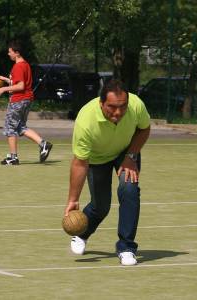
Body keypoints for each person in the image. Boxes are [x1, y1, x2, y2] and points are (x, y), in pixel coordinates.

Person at [64, 79, 151, 266]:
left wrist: (131, 155)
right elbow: (80, 163)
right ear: (101, 102)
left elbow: (144, 129)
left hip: (126, 152)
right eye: (112, 107)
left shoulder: (136, 105)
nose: (118, 112)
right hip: (97, 158)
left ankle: (126, 247)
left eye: (122, 107)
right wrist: (73, 200)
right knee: (101, 206)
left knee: (129, 190)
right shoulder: (86, 120)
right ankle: (82, 234)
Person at [0, 40, 52, 165]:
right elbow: (21, 83)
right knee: (20, 127)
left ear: (17, 53)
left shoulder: (18, 67)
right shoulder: (25, 65)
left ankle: (13, 157)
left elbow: (20, 86)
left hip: (18, 100)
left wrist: (3, 88)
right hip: (26, 99)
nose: (8, 54)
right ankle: (43, 144)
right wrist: (6, 79)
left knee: (10, 128)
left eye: (10, 52)